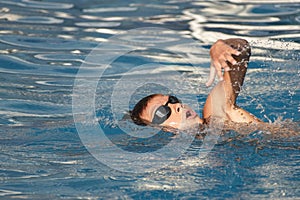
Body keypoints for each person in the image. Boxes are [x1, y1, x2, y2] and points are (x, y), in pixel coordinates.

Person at [129, 38, 298, 136]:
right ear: (162, 130)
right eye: (162, 112)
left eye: (172, 100)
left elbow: (241, 49)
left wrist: (221, 46)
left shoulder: (215, 116)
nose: (177, 106)